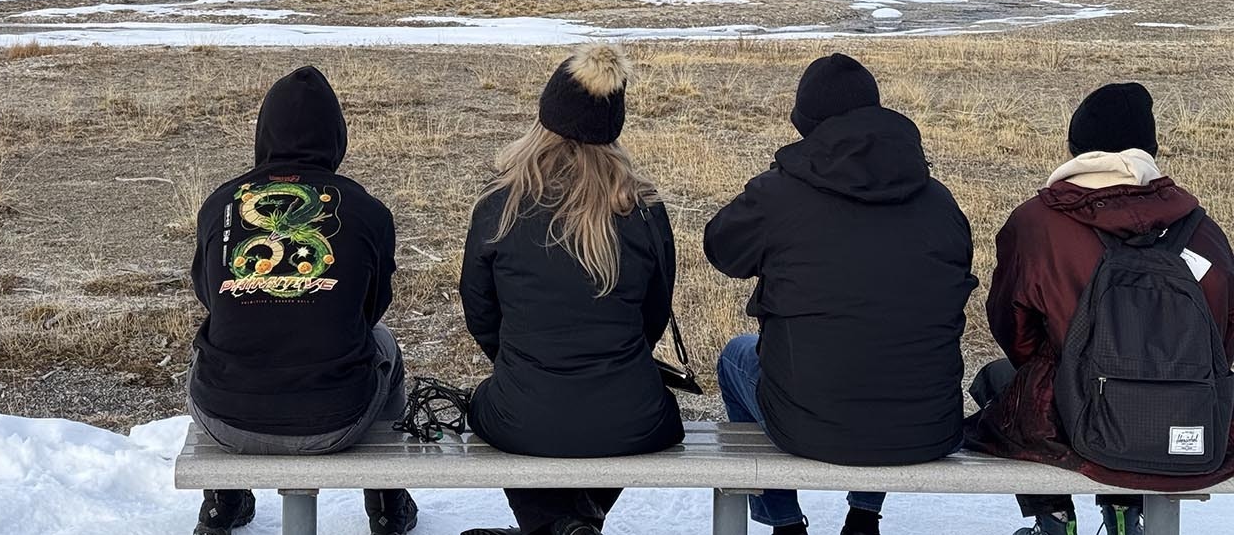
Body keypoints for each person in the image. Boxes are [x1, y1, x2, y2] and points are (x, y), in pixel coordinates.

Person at [705, 53, 977, 535]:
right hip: (927, 425)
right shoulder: (939, 201)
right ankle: (864, 516)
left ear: (806, 125)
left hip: (810, 424)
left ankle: (782, 520)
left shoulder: (781, 193)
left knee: (733, 358)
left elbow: (721, 249)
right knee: (888, 353)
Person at [967, 83, 1234, 535]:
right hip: (1195, 429)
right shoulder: (1201, 227)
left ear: (1074, 149)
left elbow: (1015, 334)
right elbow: (1224, 339)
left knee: (998, 378)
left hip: (1074, 429)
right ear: (1151, 149)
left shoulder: (1037, 223)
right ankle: (1125, 512)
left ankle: (1053, 517)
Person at [458, 43, 684, 535]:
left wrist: (522, 361)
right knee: (587, 419)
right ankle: (576, 525)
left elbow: (480, 312)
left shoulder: (501, 204)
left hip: (523, 410)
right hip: (634, 416)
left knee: (510, 409)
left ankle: (552, 528)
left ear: (545, 117)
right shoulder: (644, 209)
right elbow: (654, 315)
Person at [187, 66, 417, 535]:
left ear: (263, 133)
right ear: (336, 136)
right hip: (339, 418)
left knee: (212, 345)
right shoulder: (368, 209)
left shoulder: (221, 203)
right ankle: (389, 505)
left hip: (224, 418)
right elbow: (372, 311)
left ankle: (221, 505)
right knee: (386, 345)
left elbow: (209, 297)